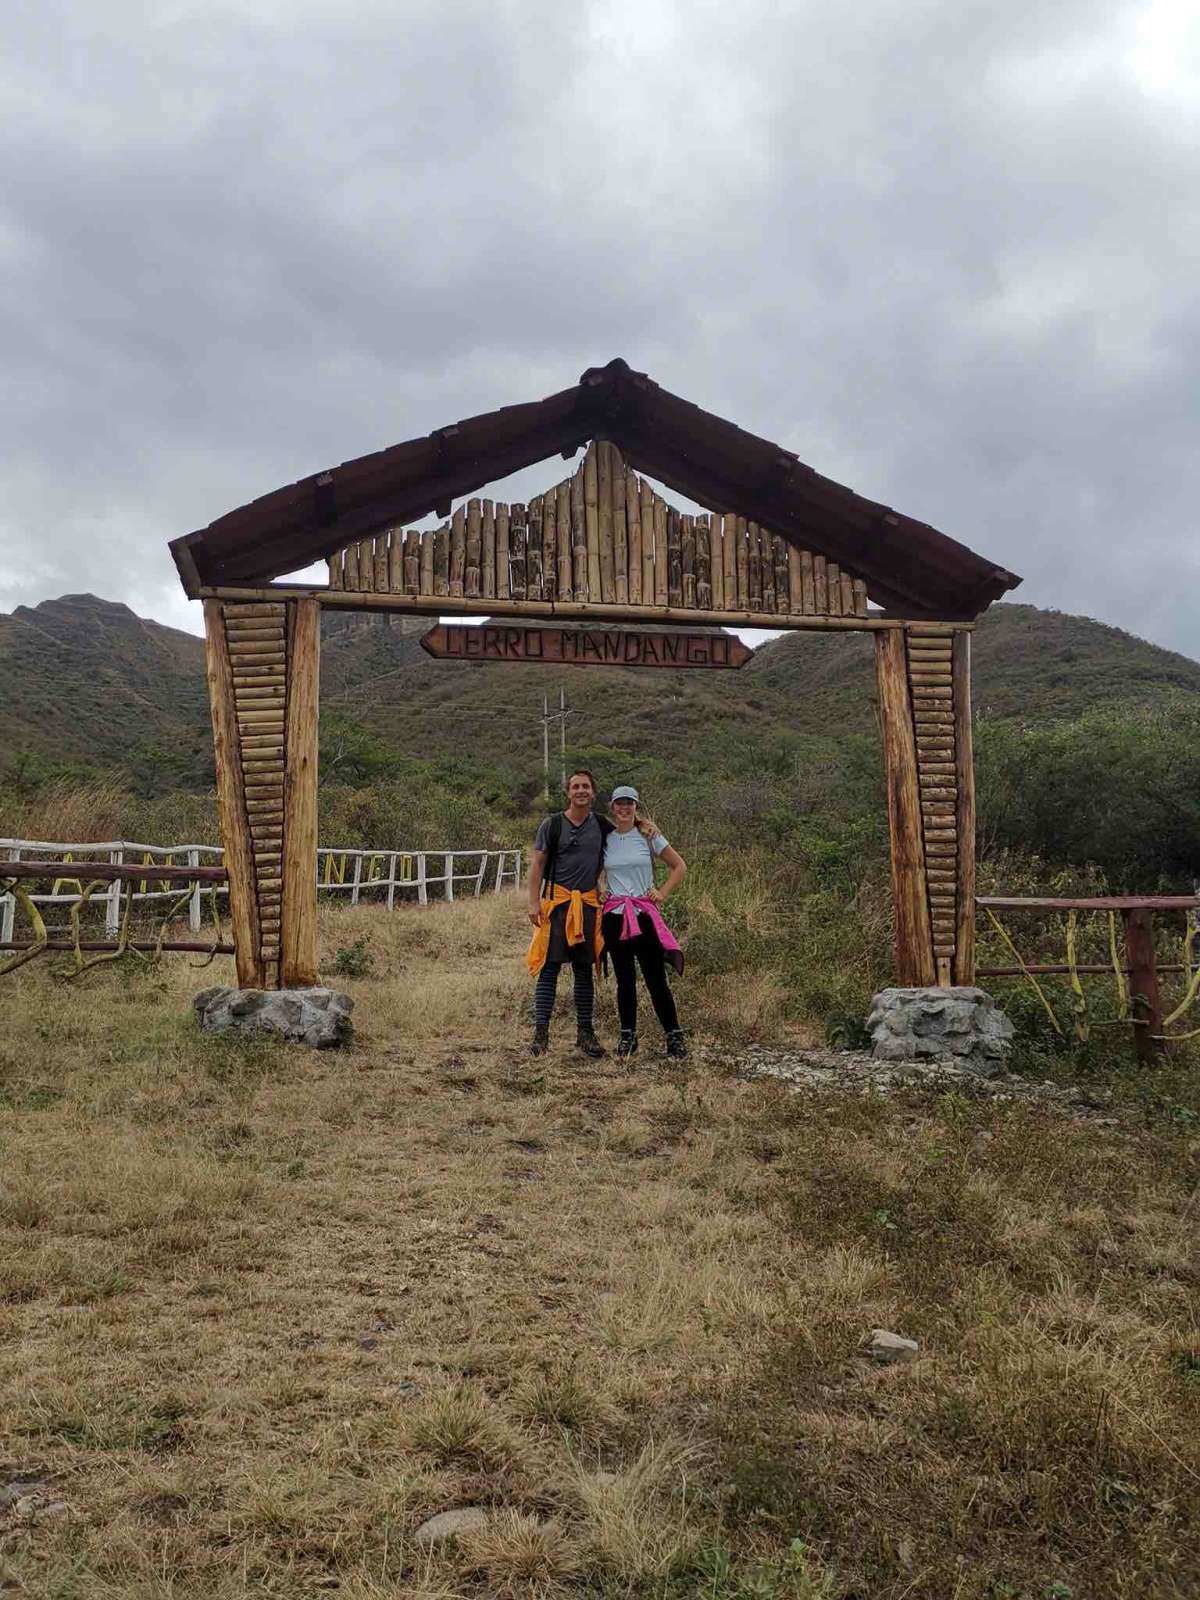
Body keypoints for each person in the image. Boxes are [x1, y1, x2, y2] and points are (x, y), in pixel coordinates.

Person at [525, 769, 612, 1058]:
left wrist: (646, 826)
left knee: (583, 971)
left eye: (586, 786)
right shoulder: (552, 825)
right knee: (548, 970)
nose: (581, 791)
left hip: (587, 905)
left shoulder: (602, 825)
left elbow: (626, 834)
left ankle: (585, 1036)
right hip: (557, 904)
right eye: (576, 786)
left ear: (593, 791)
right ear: (568, 792)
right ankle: (540, 1036)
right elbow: (537, 865)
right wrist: (533, 902)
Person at [601, 785, 688, 1059]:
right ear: (613, 808)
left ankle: (673, 1035)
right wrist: (599, 886)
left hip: (644, 915)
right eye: (619, 804)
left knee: (656, 979)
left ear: (636, 807)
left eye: (629, 803)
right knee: (624, 979)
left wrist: (661, 892)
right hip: (615, 917)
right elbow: (591, 866)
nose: (624, 808)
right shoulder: (606, 839)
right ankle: (628, 1036)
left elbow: (679, 866)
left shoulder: (649, 836)